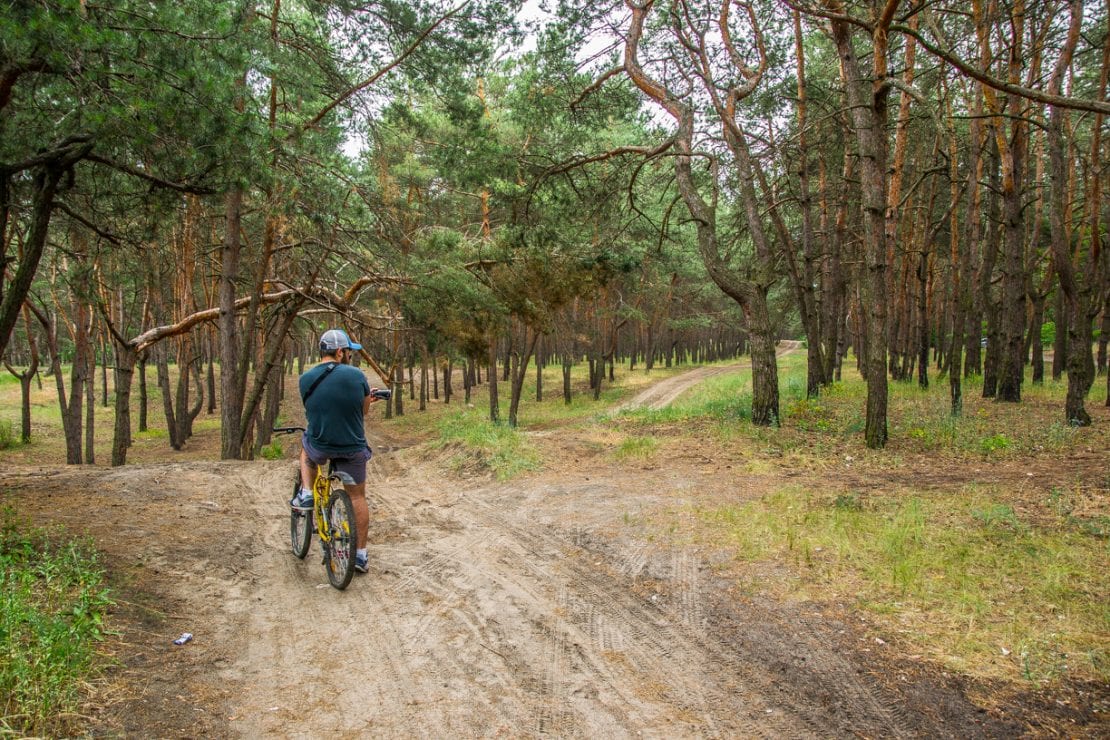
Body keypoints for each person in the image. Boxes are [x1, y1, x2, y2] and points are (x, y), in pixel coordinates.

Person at [291, 328, 383, 574]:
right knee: (357, 498)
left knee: (306, 447)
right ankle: (360, 556)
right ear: (341, 352)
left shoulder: (305, 379)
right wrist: (366, 399)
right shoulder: (357, 376)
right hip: (352, 448)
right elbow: (363, 410)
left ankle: (308, 492)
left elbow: (316, 407)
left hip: (321, 446)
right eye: (348, 352)